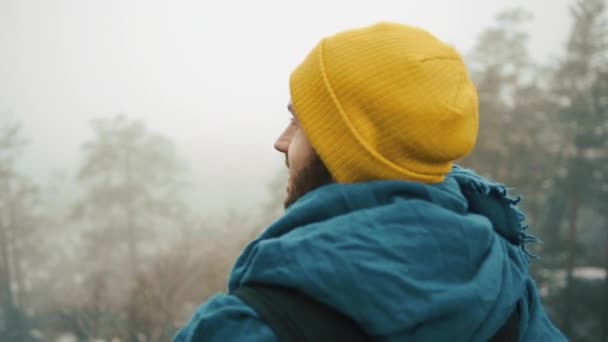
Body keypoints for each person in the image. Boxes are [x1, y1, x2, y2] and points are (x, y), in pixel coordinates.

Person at [173, 22, 566, 341]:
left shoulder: (246, 326)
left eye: (299, 121)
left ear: (350, 147)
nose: (281, 142)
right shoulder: (506, 296)